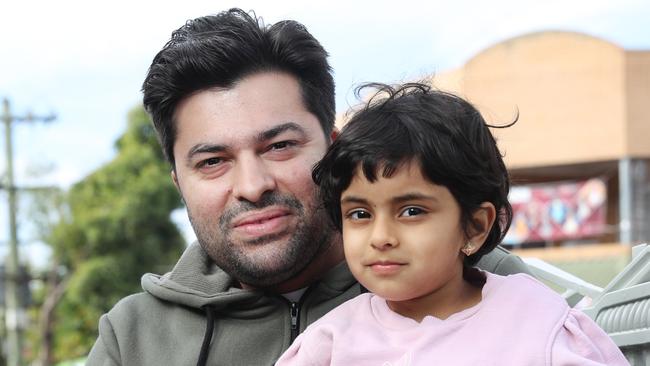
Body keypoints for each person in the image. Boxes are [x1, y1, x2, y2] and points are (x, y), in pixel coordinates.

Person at [87, 9, 533, 366]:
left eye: (280, 146)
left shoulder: (481, 281)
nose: (252, 186)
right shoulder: (133, 338)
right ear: (179, 184)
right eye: (212, 162)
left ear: (334, 152)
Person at [274, 82, 629, 366]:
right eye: (360, 214)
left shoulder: (538, 322)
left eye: (411, 211)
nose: (380, 237)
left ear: (474, 227)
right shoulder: (330, 344)